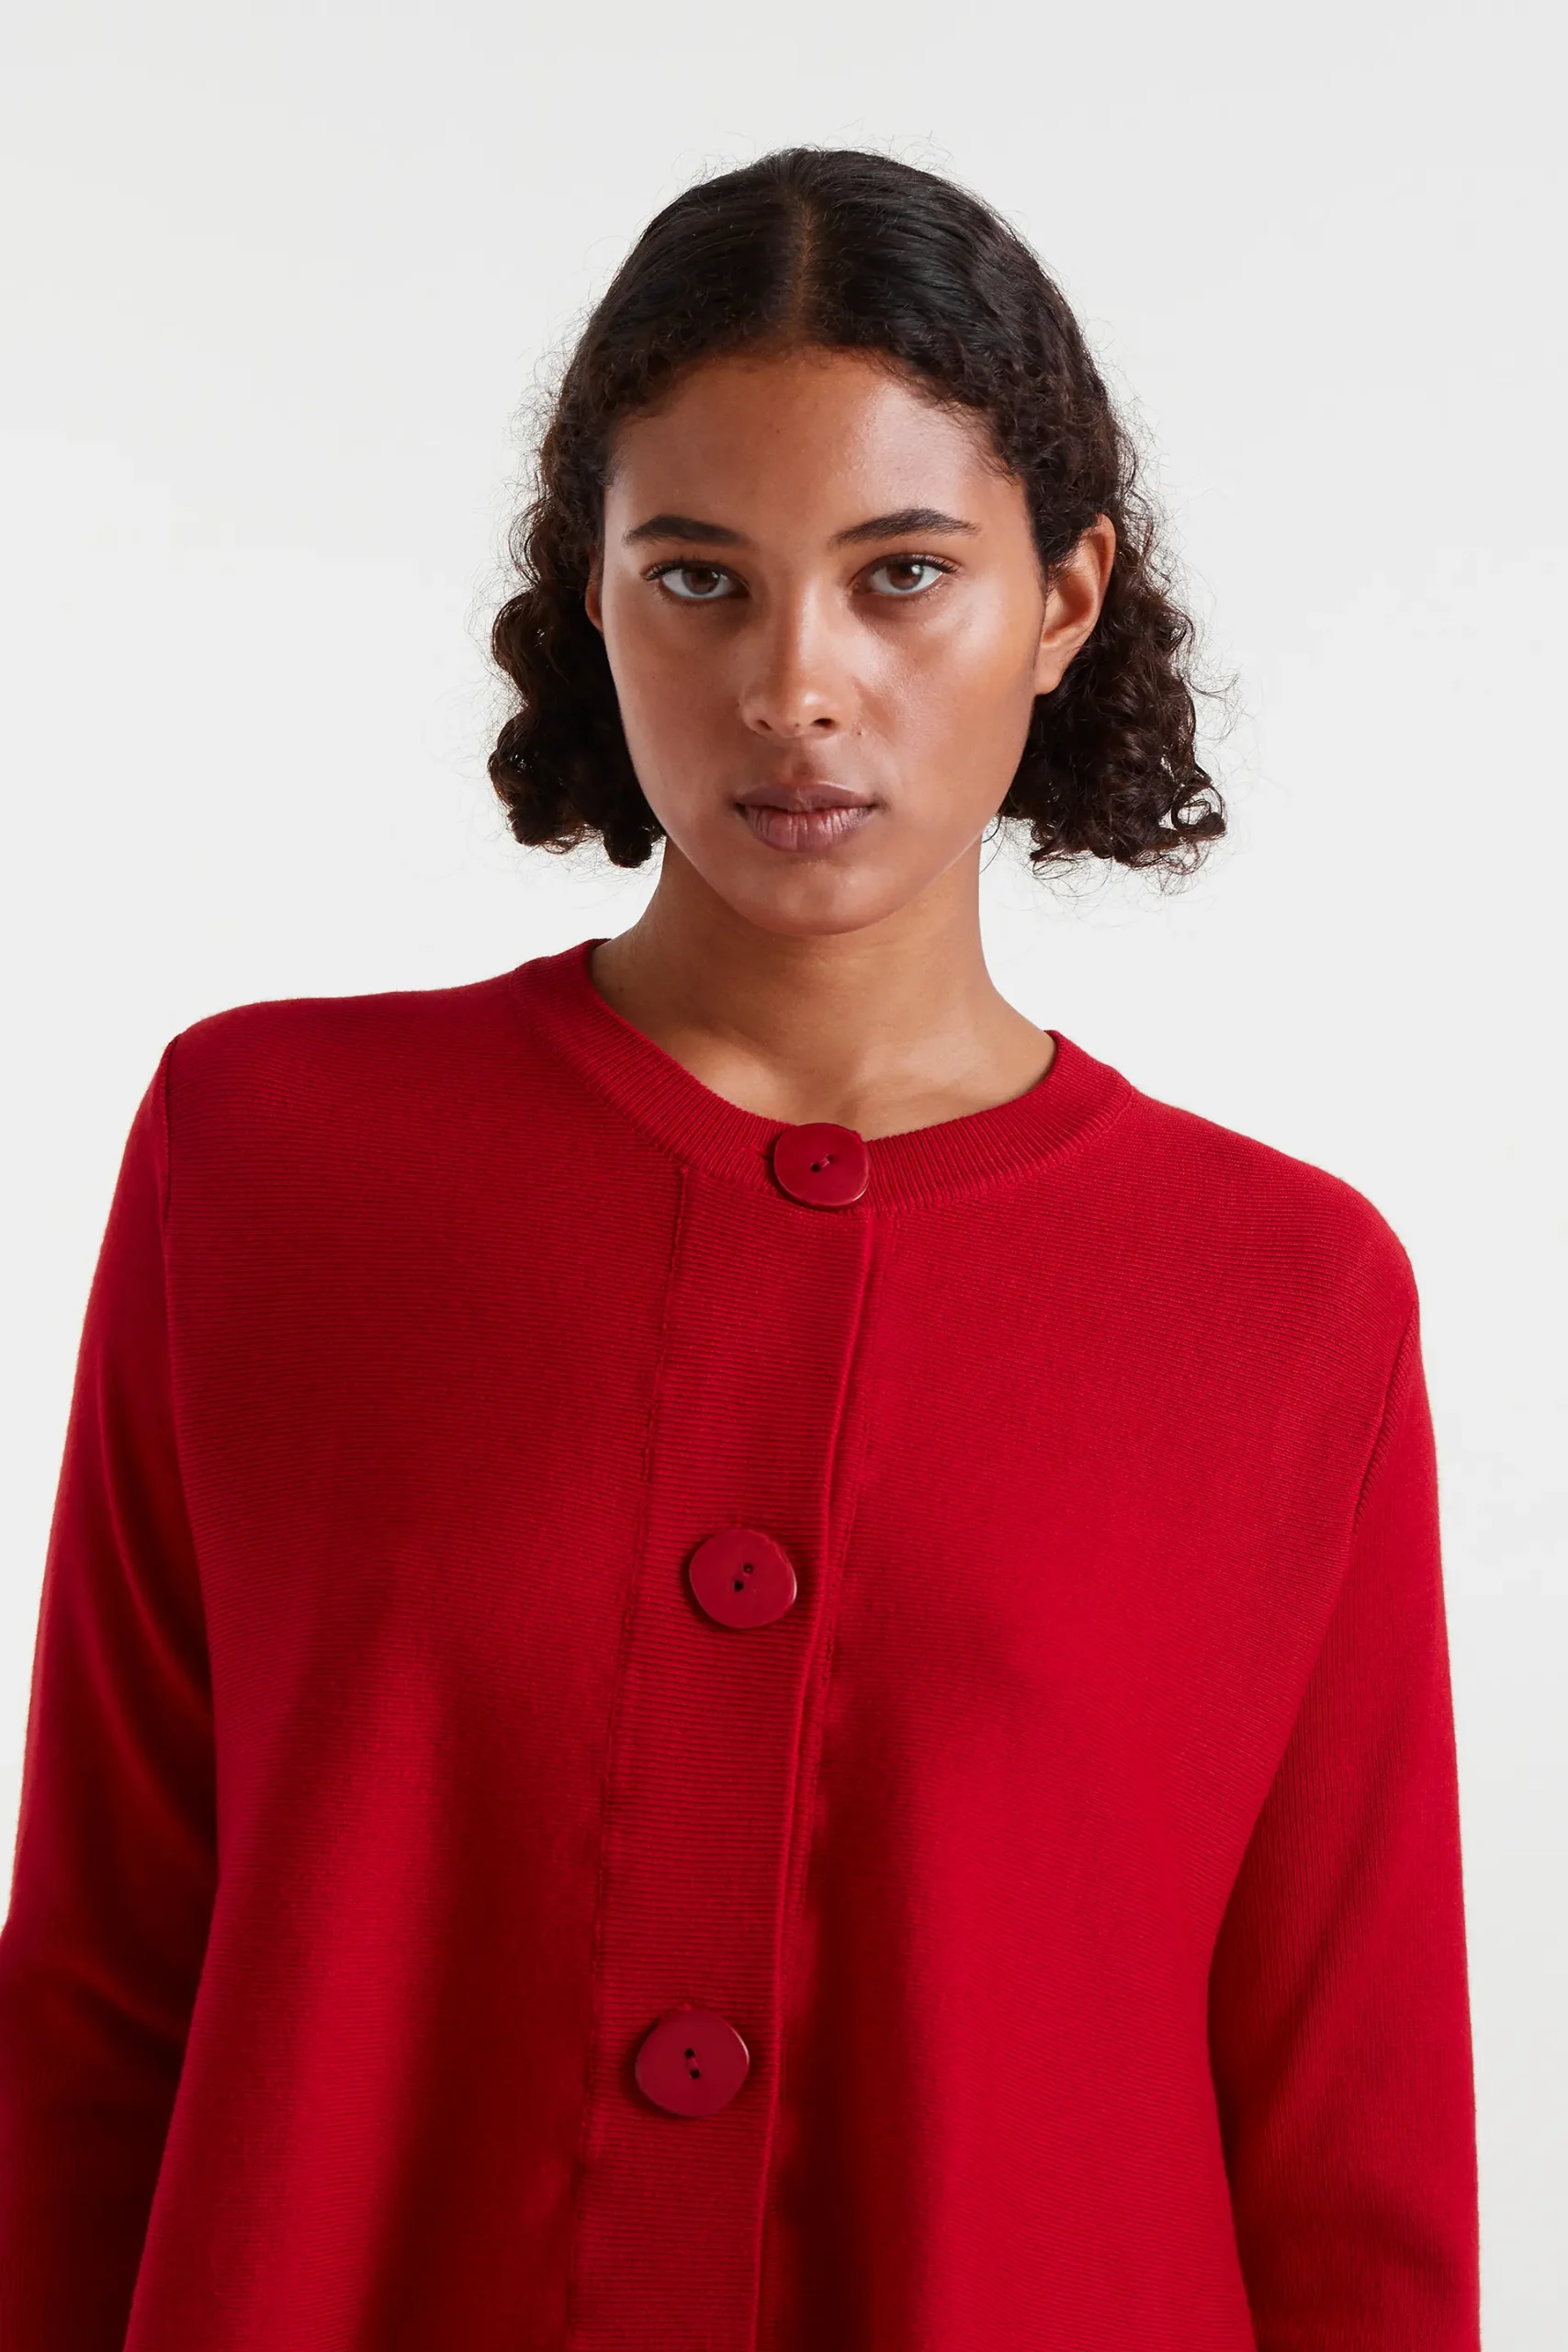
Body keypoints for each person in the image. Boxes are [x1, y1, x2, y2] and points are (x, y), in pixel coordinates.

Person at [0, 146, 1480, 2350]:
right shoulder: (272, 1162)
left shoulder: (1280, 1300)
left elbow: (1349, 2156)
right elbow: (97, 1998)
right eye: (699, 576)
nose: (797, 682)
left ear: (1063, 596)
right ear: (590, 595)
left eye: (903, 575)